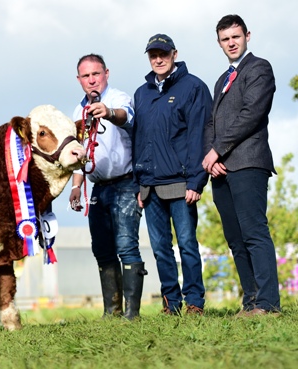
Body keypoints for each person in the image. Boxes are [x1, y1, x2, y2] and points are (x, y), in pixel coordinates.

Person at [202, 14, 281, 316]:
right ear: (219, 42)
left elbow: (251, 114)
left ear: (247, 35)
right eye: (225, 39)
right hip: (220, 169)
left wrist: (218, 150)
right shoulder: (222, 80)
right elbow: (212, 122)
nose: (231, 43)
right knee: (235, 238)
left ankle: (268, 304)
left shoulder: (259, 68)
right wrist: (212, 155)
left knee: (254, 232)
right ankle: (251, 302)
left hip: (248, 163)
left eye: (236, 36)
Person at [132, 35, 212, 315]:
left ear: (174, 54)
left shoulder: (194, 87)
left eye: (163, 53)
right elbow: (138, 139)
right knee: (160, 248)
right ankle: (171, 303)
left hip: (181, 183)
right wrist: (138, 183)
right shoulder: (141, 93)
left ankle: (194, 302)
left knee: (188, 244)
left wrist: (196, 180)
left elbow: (200, 136)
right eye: (153, 54)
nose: (158, 59)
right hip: (149, 186)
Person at [68, 54, 146, 320]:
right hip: (97, 187)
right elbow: (78, 153)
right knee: (101, 248)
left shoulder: (119, 98)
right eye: (86, 76)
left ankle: (132, 313)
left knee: (126, 245)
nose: (92, 80)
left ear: (106, 74)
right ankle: (111, 311)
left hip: (125, 183)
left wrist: (109, 113)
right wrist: (76, 185)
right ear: (79, 80)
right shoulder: (78, 112)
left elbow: (129, 117)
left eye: (96, 74)